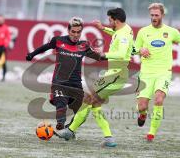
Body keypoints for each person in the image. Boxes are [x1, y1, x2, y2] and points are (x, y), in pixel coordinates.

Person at [56, 8, 134, 147]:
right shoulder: (126, 29)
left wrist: (104, 54)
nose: (109, 22)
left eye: (110, 20)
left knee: (88, 99)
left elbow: (122, 53)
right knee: (93, 102)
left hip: (116, 75)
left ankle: (71, 131)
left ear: (116, 20)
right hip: (117, 74)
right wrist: (103, 28)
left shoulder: (122, 35)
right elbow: (119, 36)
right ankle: (107, 137)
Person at [26, 17, 106, 131]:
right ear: (68, 31)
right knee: (61, 101)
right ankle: (61, 123)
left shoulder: (84, 45)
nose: (75, 34)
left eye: (78, 32)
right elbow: (45, 47)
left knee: (81, 111)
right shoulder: (58, 40)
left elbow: (99, 57)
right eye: (73, 31)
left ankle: (70, 129)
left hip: (76, 84)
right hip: (59, 82)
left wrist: (115, 56)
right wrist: (32, 54)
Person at [133, 3, 180, 141]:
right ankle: (142, 114)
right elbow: (133, 49)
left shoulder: (171, 31)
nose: (154, 18)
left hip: (164, 72)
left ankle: (151, 133)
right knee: (142, 106)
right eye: (152, 15)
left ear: (162, 15)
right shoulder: (143, 31)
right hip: (146, 73)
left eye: (156, 15)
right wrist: (140, 50)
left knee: (159, 99)